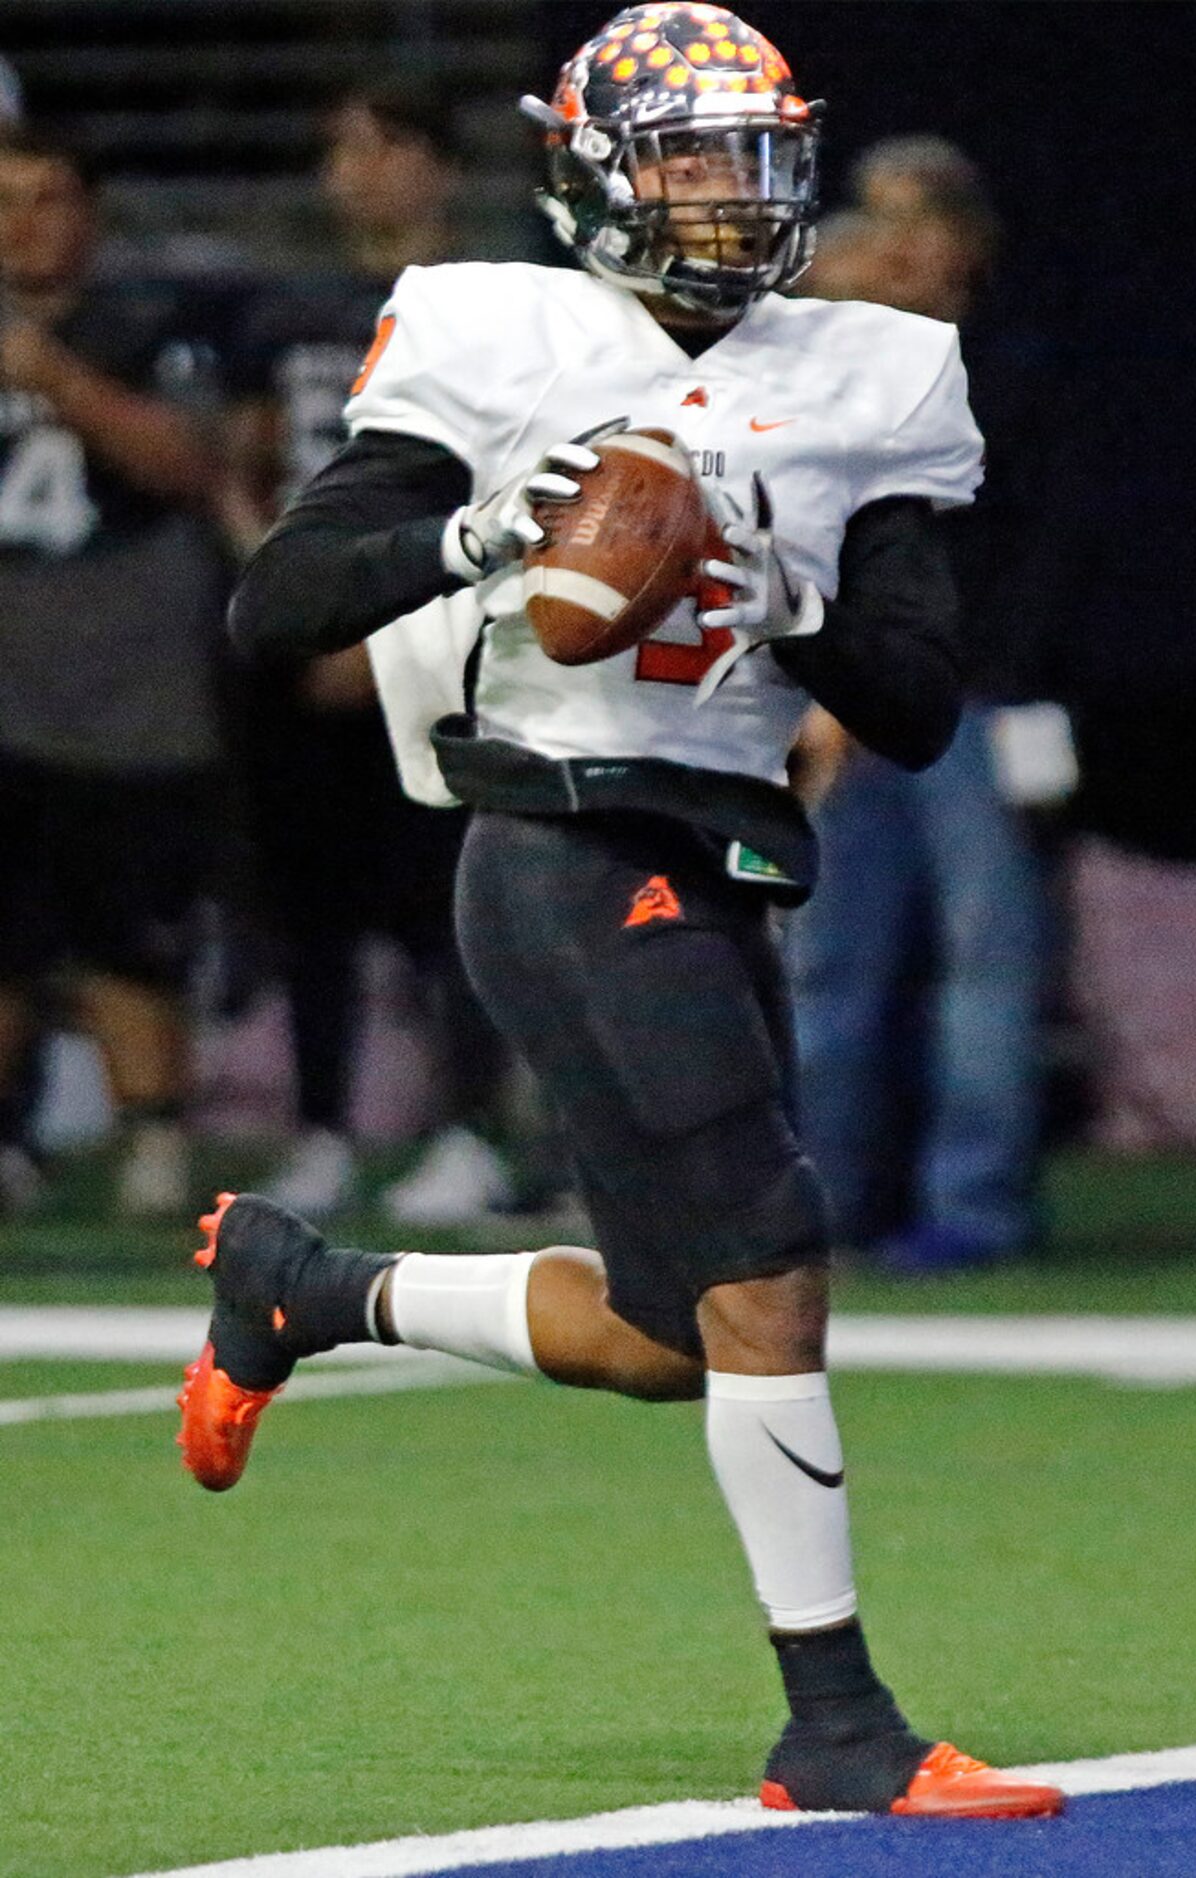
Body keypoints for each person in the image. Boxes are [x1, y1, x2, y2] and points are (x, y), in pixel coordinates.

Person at [180, 4, 1064, 1822]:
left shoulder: (875, 367)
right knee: (771, 1260)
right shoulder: (497, 327)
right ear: (589, 169)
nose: (728, 193)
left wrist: (778, 594)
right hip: (561, 835)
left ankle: (306, 1285)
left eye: (753, 154)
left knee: (679, 1336)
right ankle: (836, 1724)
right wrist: (485, 537)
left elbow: (907, 699)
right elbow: (275, 610)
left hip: (725, 842)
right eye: (685, 154)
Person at [221, 79, 512, 1220]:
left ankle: (469, 1131)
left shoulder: (494, 306)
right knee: (309, 902)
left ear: (437, 164)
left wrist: (390, 618)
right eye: (343, 148)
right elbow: (239, 473)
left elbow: (513, 482)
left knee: (454, 896)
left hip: (440, 627)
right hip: (305, 647)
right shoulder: (280, 310)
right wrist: (299, 597)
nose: (358, 171)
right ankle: (325, 1127)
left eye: (384, 146)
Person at [790, 139, 1068, 1273]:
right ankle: (825, 1201)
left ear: (971, 240)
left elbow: (1015, 546)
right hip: (845, 705)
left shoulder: (1007, 367)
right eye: (877, 217)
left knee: (982, 965)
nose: (898, 242)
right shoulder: (819, 364)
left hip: (971, 705)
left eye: (924, 218)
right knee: (831, 961)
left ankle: (977, 1205)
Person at [0, 128, 224, 1215]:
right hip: (7, 686)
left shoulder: (148, 326)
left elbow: (189, 464)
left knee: (131, 942)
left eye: (46, 197)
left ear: (88, 213)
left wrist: (58, 381)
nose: (23, 222)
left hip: (130, 695)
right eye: (5, 201)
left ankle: (152, 1145)